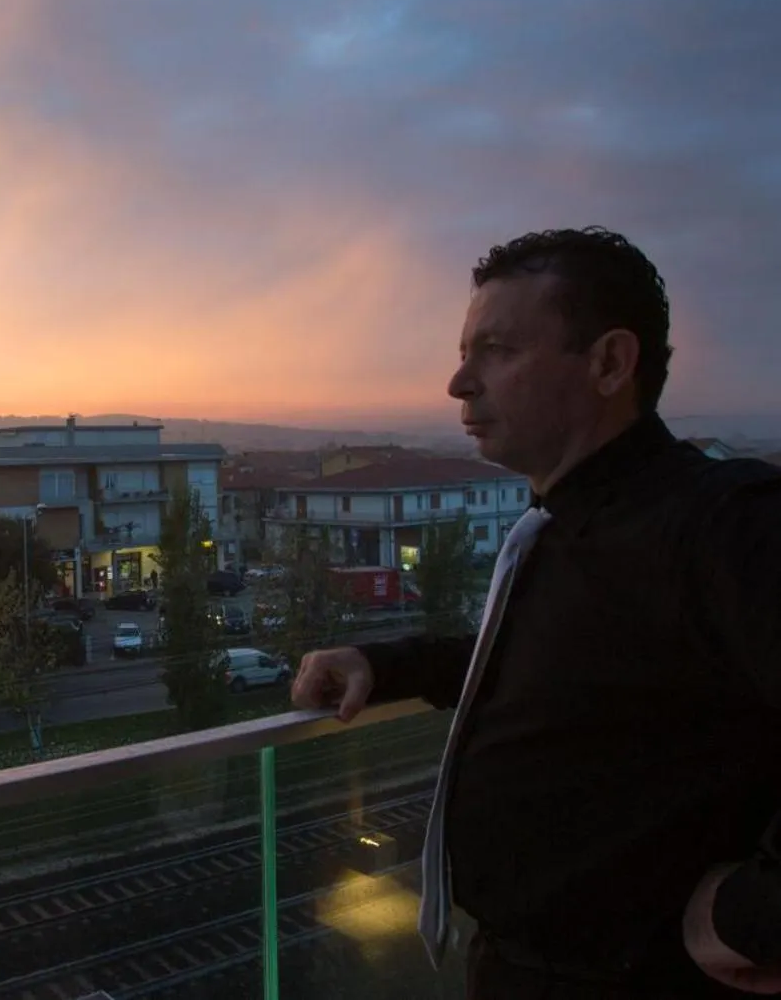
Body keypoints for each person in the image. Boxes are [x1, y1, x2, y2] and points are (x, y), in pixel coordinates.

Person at [291, 227, 780, 997]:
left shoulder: (723, 523)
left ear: (610, 363)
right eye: (464, 351)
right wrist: (384, 664)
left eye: (498, 350)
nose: (458, 383)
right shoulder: (561, 523)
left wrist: (752, 915)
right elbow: (549, 664)